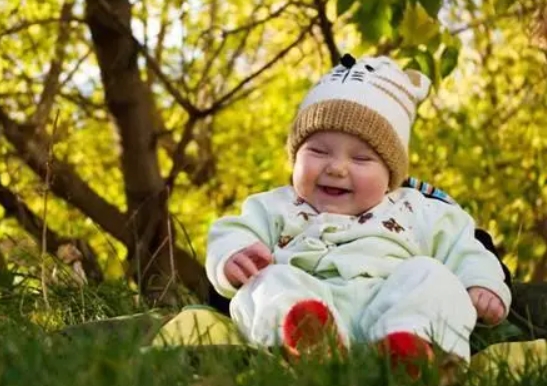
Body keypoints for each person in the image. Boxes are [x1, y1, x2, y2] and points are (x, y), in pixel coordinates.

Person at [205, 54, 511, 373]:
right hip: (310, 299)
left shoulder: (419, 209)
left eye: (362, 159)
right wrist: (232, 256)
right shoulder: (273, 205)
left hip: (391, 305)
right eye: (318, 151)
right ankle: (308, 343)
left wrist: (482, 284)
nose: (336, 167)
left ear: (390, 173)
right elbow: (231, 231)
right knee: (268, 281)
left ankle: (411, 350)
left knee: (432, 275)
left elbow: (464, 248)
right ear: (295, 157)